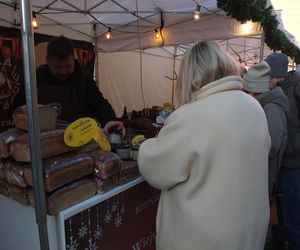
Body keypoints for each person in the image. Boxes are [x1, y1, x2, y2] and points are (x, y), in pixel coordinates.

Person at [138, 41, 271, 250]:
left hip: (203, 239)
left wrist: (145, 146)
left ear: (190, 73)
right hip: (248, 232)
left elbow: (156, 169)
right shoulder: (254, 106)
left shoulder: (192, 116)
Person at [12, 35, 124, 136]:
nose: (63, 72)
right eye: (58, 67)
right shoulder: (35, 79)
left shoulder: (84, 81)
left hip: (77, 142)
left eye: (68, 66)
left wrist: (109, 120)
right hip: (43, 142)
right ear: (48, 61)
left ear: (74, 61)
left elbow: (100, 105)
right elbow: (17, 107)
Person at [243, 61, 290, 250]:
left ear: (257, 91)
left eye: (248, 92)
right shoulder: (264, 105)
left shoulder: (271, 109)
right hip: (259, 175)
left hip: (264, 176)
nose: (246, 96)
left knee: (261, 225)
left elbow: (271, 146)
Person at [266, 52, 300, 250]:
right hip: (280, 166)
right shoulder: (278, 89)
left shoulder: (296, 87)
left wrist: (290, 146)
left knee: (293, 218)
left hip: (294, 167)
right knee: (279, 215)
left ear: (278, 75)